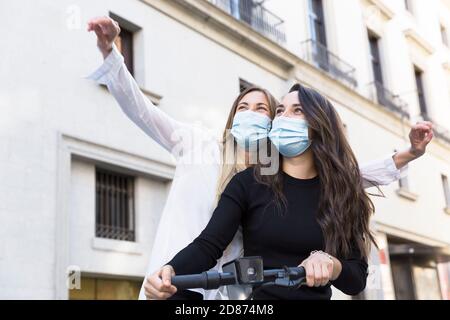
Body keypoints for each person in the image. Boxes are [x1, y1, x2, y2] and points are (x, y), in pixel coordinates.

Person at [86, 17, 434, 300]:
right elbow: (143, 113)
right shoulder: (205, 149)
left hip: (228, 291)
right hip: (182, 283)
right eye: (243, 106)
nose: (252, 114)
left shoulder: (281, 171)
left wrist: (409, 155)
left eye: (264, 109)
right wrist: (111, 53)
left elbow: (348, 175)